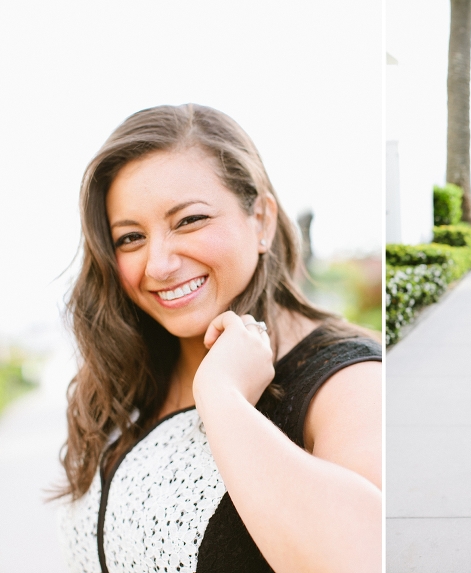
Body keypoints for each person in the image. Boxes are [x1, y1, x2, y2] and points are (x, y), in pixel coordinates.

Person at [56, 104, 382, 572]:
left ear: (262, 220)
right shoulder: (127, 379)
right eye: (130, 238)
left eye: (189, 220)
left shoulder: (347, 381)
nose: (159, 265)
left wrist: (222, 399)